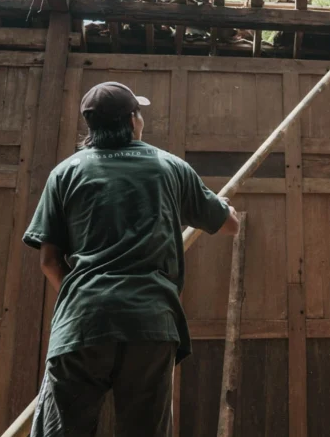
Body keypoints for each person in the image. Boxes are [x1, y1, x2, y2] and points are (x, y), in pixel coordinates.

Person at [23, 81, 240, 437]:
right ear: (132, 120)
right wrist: (225, 208)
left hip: (81, 323)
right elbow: (229, 225)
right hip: (149, 324)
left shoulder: (64, 173)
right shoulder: (169, 167)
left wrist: (88, 302)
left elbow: (49, 260)